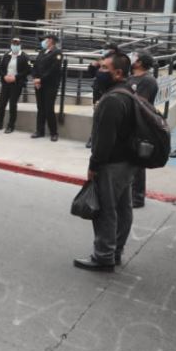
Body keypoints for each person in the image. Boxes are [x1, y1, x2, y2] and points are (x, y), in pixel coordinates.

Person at [74, 52, 136, 272]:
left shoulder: (112, 100)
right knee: (123, 208)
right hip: (127, 162)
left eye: (103, 68)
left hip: (111, 164)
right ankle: (115, 251)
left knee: (106, 211)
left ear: (118, 73)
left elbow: (104, 140)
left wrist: (93, 165)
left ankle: (103, 256)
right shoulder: (128, 92)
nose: (98, 72)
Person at [128, 52, 159, 209]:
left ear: (140, 63)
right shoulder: (131, 77)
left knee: (138, 162)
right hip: (127, 123)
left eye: (135, 57)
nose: (131, 59)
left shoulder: (147, 80)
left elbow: (141, 103)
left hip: (139, 125)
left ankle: (138, 197)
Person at [0, 37, 31, 134]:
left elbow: (27, 70)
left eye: (17, 44)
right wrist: (4, 76)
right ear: (11, 44)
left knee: (12, 105)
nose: (15, 46)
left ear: (20, 45)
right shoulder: (6, 55)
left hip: (16, 84)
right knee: (2, 103)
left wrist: (16, 77)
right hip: (6, 83)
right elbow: (0, 68)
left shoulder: (24, 57)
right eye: (13, 44)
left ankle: (10, 126)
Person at [31, 34, 64, 141]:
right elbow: (35, 66)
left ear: (51, 41)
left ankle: (54, 133)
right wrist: (35, 78)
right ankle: (39, 131)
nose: (44, 42)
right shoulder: (42, 52)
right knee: (40, 108)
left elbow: (54, 70)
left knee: (49, 108)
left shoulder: (57, 53)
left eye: (46, 40)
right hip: (39, 84)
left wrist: (41, 79)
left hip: (50, 85)